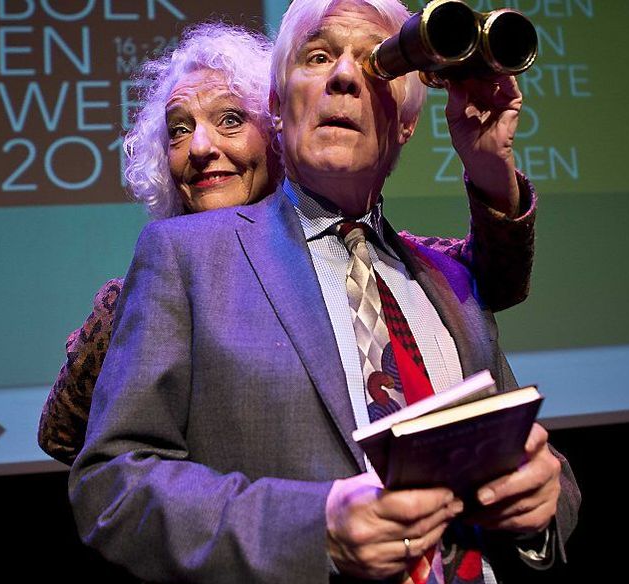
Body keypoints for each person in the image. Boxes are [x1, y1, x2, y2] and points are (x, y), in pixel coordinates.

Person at [68, 0, 577, 584]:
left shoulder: (447, 278)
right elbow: (112, 485)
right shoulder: (187, 260)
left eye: (374, 62)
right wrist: (317, 530)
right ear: (277, 111)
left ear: (406, 125)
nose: (343, 75)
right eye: (317, 55)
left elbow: (544, 468)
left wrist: (543, 499)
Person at [38, 23, 537, 469]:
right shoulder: (141, 293)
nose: (199, 148)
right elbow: (75, 442)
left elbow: (489, 278)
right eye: (179, 130)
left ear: (276, 125)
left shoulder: (365, 252)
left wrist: (491, 172)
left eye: (231, 119)